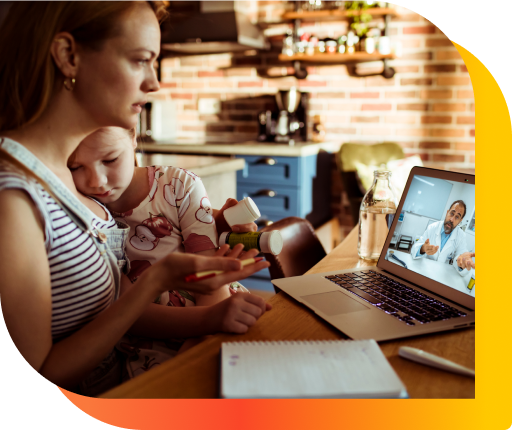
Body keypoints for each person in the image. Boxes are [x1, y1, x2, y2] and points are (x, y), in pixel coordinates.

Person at [0, 0, 270, 396]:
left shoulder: (64, 180)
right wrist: (157, 278)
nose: (155, 83)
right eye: (141, 60)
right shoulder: (14, 197)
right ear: (68, 56)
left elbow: (111, 295)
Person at [69, 126, 246, 308]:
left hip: (210, 311)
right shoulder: (75, 208)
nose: (97, 182)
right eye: (75, 167)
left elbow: (211, 278)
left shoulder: (178, 185)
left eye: (110, 159)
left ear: (132, 137)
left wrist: (211, 327)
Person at [410, 200, 475, 275]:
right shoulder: (432, 227)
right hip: (424, 270)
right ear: (447, 212)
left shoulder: (461, 236)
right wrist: (422, 249)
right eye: (451, 213)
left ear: (460, 221)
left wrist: (461, 263)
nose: (451, 219)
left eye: (457, 217)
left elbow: (461, 256)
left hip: (441, 274)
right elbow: (415, 248)